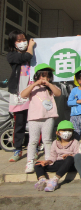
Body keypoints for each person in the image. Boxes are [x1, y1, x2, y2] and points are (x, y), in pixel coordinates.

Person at [20, 63, 61, 173]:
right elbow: (23, 95)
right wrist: (34, 84)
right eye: (42, 76)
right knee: (33, 141)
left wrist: (49, 84)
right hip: (34, 118)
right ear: (37, 76)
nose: (44, 78)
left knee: (47, 140)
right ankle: (30, 162)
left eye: (47, 76)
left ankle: (48, 160)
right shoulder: (33, 87)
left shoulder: (51, 88)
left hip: (48, 117)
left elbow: (58, 93)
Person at [7, 30, 36, 162]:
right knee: (19, 124)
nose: (22, 42)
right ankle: (17, 149)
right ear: (13, 43)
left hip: (33, 93)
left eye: (24, 39)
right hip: (19, 94)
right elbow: (26, 57)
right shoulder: (12, 56)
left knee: (34, 122)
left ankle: (34, 148)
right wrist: (30, 47)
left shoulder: (35, 54)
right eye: (18, 40)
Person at [34, 120, 79, 192]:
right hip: (59, 163)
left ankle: (55, 179)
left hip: (70, 164)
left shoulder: (75, 142)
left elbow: (78, 155)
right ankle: (42, 180)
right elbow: (53, 156)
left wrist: (70, 155)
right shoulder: (55, 143)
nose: (67, 132)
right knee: (38, 164)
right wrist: (47, 161)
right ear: (57, 132)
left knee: (69, 159)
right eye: (64, 130)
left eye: (69, 130)